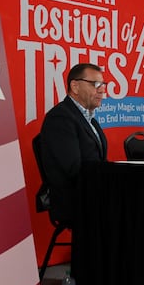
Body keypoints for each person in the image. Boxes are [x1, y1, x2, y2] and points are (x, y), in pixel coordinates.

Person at [39, 63, 108, 226]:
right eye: (95, 84)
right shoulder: (60, 118)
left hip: (93, 193)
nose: (102, 90)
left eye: (103, 85)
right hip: (75, 200)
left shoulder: (90, 120)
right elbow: (74, 169)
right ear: (75, 86)